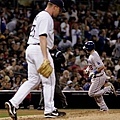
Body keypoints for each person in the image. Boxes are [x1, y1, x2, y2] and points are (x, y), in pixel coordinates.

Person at [5, 0, 66, 119]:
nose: (59, 12)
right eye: (59, 9)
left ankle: (13, 103)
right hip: (39, 49)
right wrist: (45, 58)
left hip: (31, 49)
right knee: (49, 80)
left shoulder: (39, 15)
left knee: (33, 80)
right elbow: (42, 36)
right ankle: (49, 110)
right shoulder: (46, 16)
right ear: (55, 7)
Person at [83, 41, 117, 111]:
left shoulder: (94, 56)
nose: (85, 50)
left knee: (91, 93)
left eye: (86, 48)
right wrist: (87, 69)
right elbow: (91, 65)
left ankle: (108, 89)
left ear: (89, 48)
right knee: (97, 94)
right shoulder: (91, 54)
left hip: (99, 77)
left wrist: (94, 72)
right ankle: (104, 107)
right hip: (97, 77)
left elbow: (102, 67)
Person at [37, 43, 68, 110]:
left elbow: (62, 60)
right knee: (44, 86)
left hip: (55, 72)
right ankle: (42, 104)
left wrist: (51, 61)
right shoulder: (46, 51)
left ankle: (64, 102)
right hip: (47, 71)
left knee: (56, 88)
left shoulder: (58, 53)